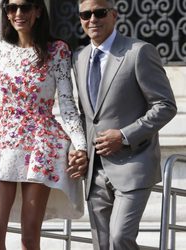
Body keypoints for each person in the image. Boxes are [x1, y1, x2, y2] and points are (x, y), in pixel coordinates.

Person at [0, 0, 87, 249]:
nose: (17, 14)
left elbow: (68, 106)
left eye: (25, 7)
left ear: (38, 10)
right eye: (10, 8)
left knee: (29, 235)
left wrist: (80, 146)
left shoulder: (57, 50)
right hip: (3, 142)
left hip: (41, 144)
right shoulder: (0, 49)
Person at [69, 0, 177, 249]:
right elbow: (84, 114)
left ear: (114, 15)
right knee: (102, 244)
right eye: (86, 15)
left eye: (99, 12)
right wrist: (78, 149)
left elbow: (165, 105)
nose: (92, 19)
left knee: (120, 238)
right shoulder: (79, 57)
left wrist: (125, 135)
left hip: (133, 164)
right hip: (94, 169)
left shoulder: (138, 51)